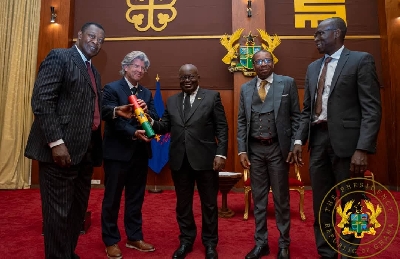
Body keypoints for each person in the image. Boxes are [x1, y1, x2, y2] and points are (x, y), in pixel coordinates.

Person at [292, 17, 382, 259]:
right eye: (315, 34)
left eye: (321, 33)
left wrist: (363, 148)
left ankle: (352, 252)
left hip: (350, 146)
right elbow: (306, 110)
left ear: (338, 33)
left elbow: (371, 108)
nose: (316, 38)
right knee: (322, 203)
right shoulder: (312, 68)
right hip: (318, 141)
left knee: (353, 204)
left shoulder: (360, 60)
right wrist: (299, 140)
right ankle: (327, 253)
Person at [24, 22, 105, 259]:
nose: (95, 42)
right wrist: (56, 143)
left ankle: (66, 253)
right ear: (79, 36)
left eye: (100, 40)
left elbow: (89, 110)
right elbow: (42, 101)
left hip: (85, 153)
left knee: (76, 213)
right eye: (91, 36)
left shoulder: (94, 71)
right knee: (57, 214)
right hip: (60, 153)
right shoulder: (60, 57)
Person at [148, 64, 228, 259]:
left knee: (209, 204)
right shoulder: (173, 100)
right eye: (183, 78)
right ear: (179, 80)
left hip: (206, 161)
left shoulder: (212, 97)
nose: (187, 80)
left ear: (198, 77)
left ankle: (210, 243)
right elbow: (163, 126)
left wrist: (221, 154)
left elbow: (222, 129)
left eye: (191, 77)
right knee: (183, 205)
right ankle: (186, 240)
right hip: (179, 161)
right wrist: (148, 121)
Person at [237, 50, 301, 259]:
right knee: (259, 199)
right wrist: (242, 149)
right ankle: (261, 243)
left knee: (282, 199)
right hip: (254, 150)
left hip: (278, 149)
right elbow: (241, 121)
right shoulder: (246, 89)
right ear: (253, 66)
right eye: (258, 62)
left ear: (273, 63)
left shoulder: (287, 83)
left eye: (267, 60)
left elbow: (297, 117)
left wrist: (294, 144)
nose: (263, 64)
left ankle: (284, 244)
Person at [101, 51, 159, 259]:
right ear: (125, 67)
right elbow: (110, 117)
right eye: (135, 66)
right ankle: (111, 240)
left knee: (135, 198)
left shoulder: (146, 92)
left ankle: (134, 237)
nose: (139, 70)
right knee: (112, 198)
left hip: (140, 154)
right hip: (117, 154)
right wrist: (133, 132)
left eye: (143, 67)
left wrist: (148, 114)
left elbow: (154, 117)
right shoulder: (111, 88)